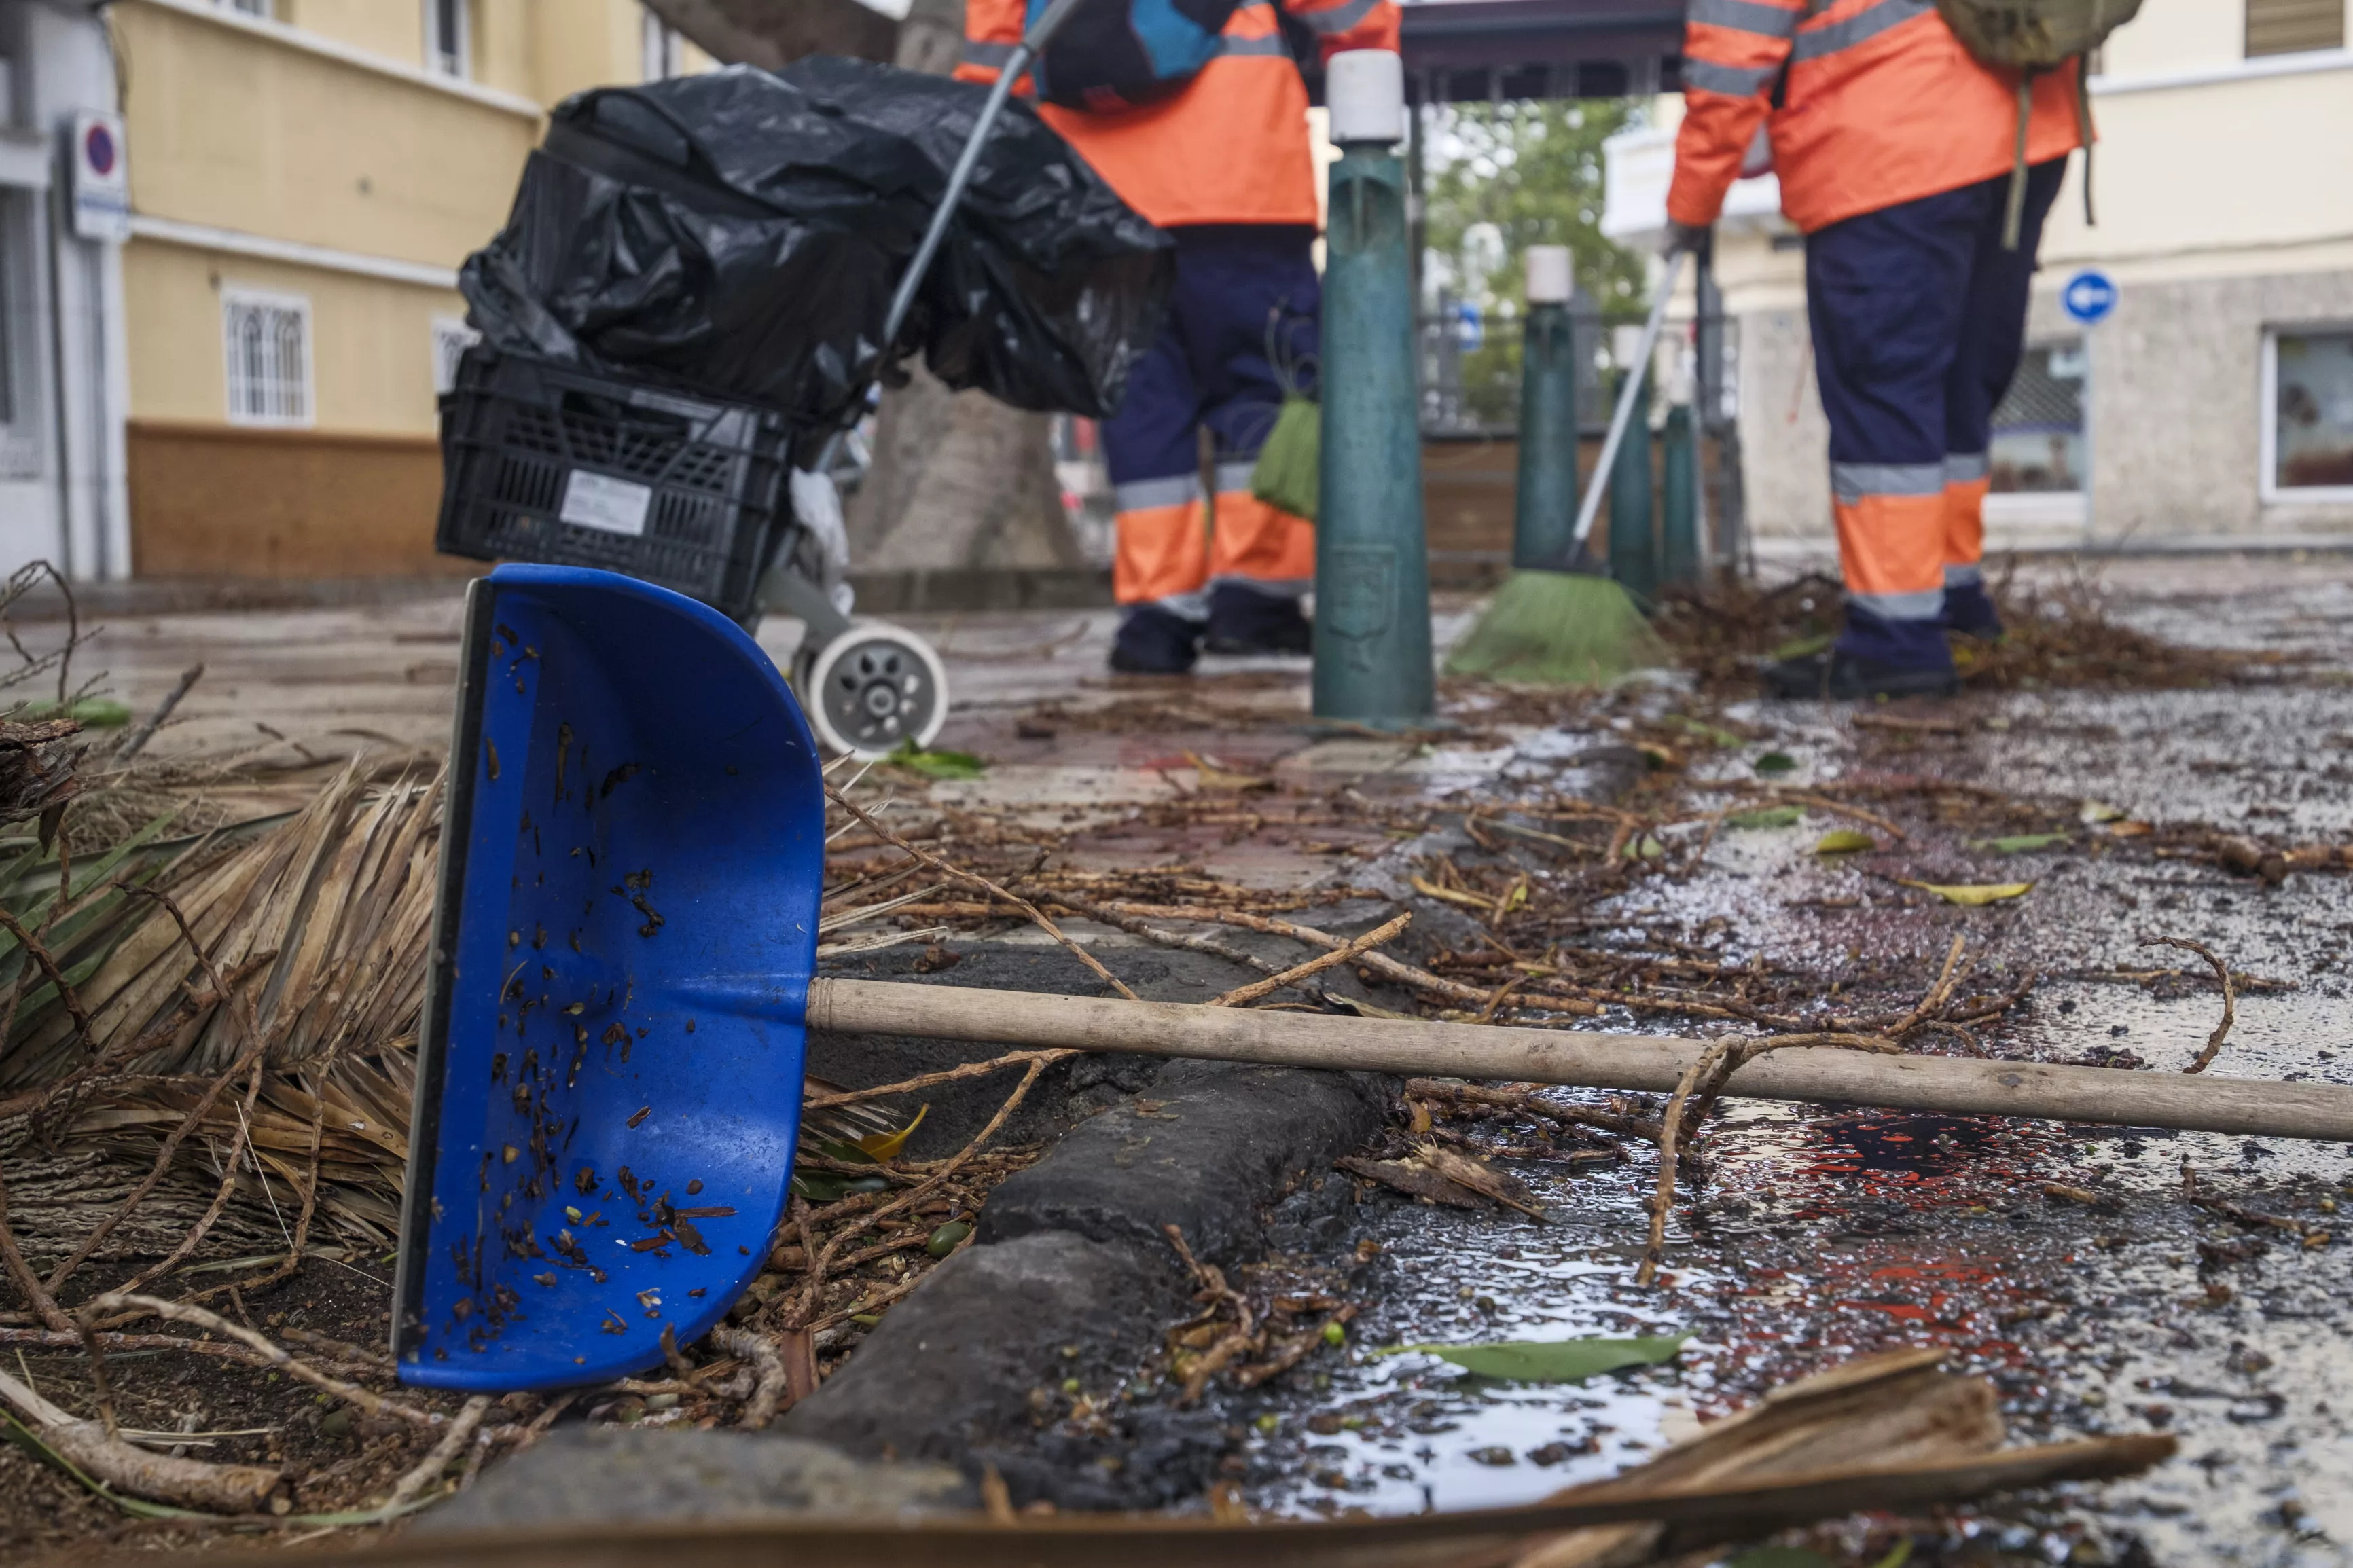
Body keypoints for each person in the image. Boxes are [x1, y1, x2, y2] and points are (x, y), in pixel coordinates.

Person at [960, 0, 1401, 674]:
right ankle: (1254, 602)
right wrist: (1364, 78)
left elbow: (991, 66)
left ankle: (1157, 617)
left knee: (1139, 409)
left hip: (1097, 205)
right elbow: (1356, 17)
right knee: (1265, 390)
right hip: (1241, 181)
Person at [1664, 0, 2087, 699]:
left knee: (1884, 388)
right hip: (2022, 131)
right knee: (1954, 386)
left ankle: (1895, 638)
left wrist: (1691, 201)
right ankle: (1949, 601)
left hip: (1889, 141)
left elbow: (1732, 48)